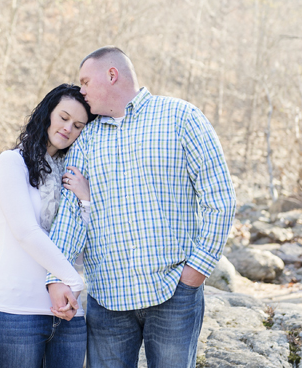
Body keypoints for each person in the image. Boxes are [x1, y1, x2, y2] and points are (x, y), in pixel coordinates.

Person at [47, 47, 236, 368]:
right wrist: (57, 277)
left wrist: (196, 272)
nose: (81, 90)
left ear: (111, 74)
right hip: (107, 298)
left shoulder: (181, 117)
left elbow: (219, 197)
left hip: (173, 292)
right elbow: (71, 211)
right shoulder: (87, 137)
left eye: (85, 81)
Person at [0, 84, 95, 368]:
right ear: (46, 113)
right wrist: (74, 281)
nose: (68, 129)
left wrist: (86, 200)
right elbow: (26, 232)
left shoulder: (72, 175)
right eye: (63, 117)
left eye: (78, 125)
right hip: (13, 316)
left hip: (68, 317)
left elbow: (81, 246)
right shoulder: (11, 163)